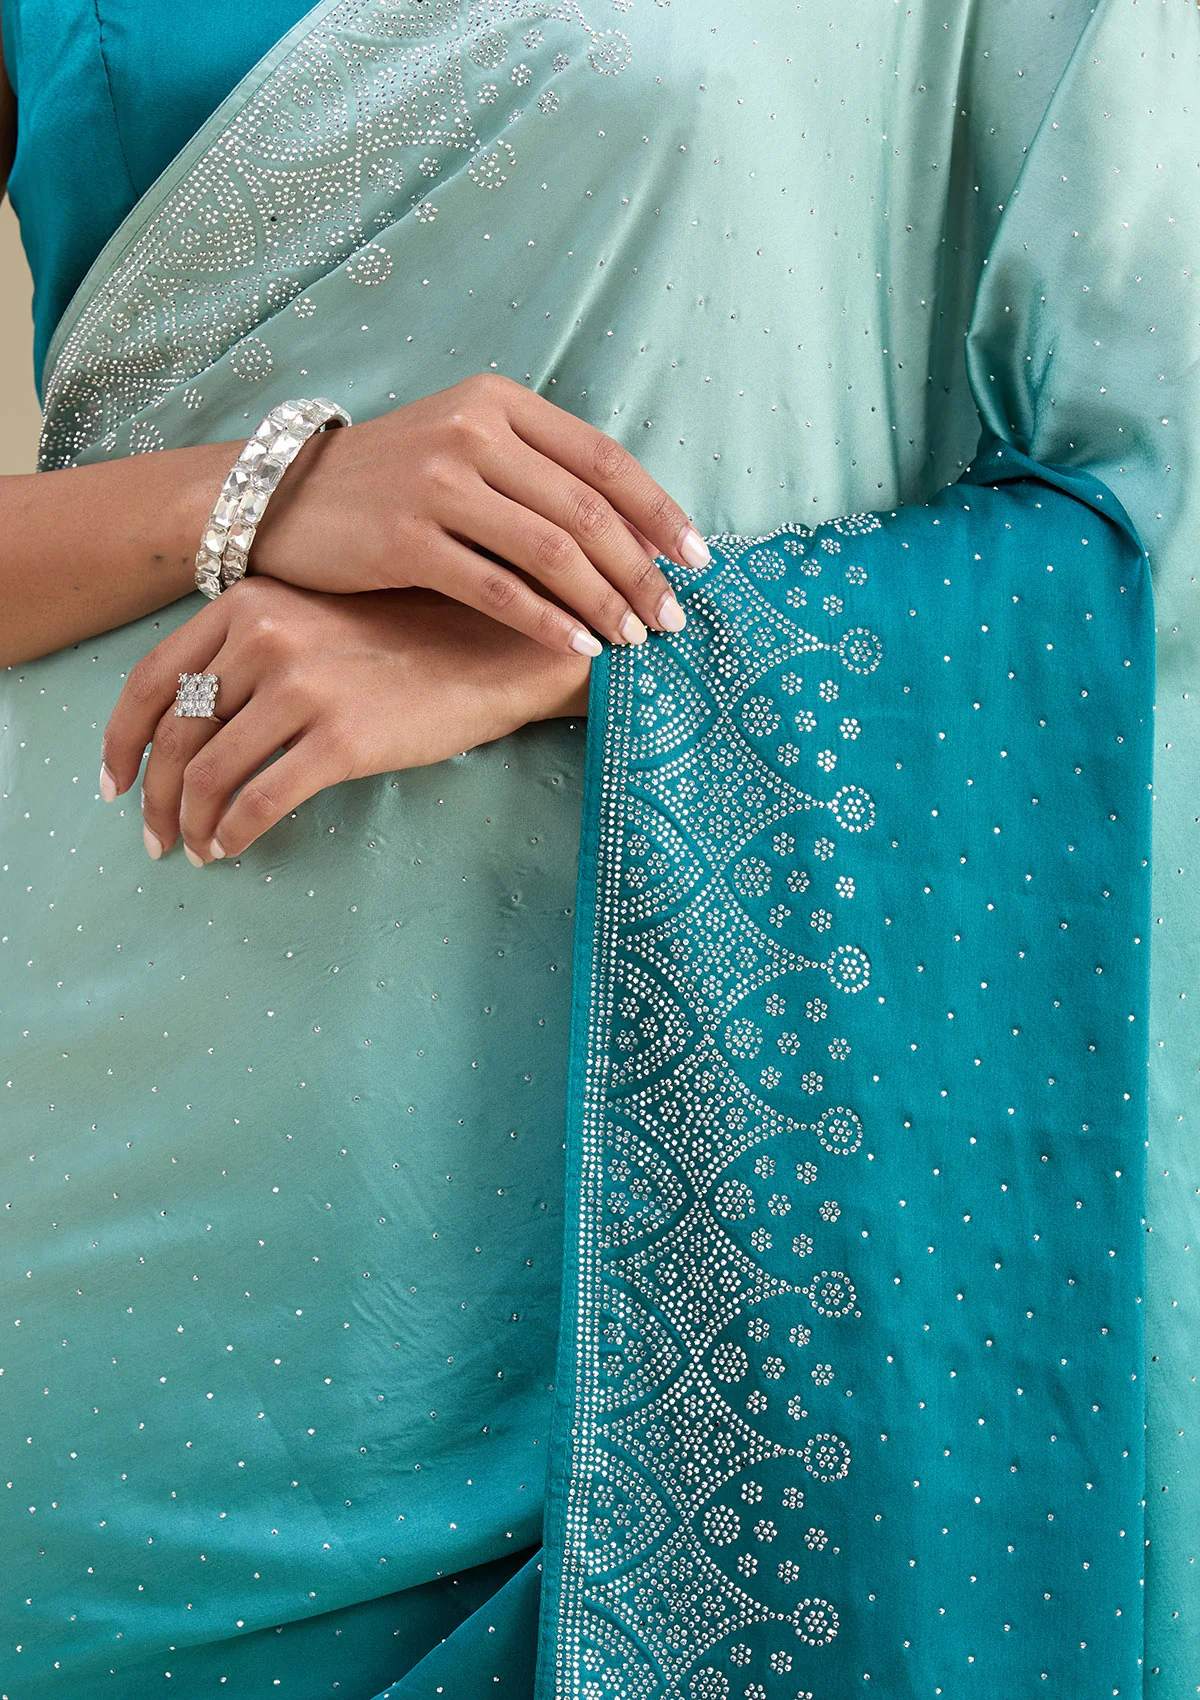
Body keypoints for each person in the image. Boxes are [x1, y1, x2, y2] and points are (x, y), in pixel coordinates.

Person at [1, 2, 1195, 1696]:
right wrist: (259, 495)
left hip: (711, 1260)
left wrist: (605, 652)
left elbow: (1153, 515)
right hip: (88, 1276)